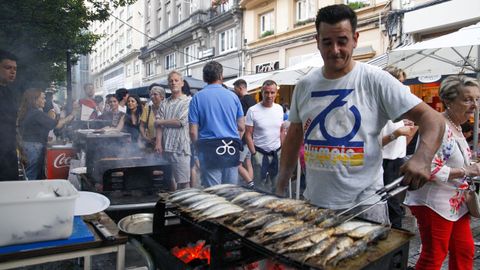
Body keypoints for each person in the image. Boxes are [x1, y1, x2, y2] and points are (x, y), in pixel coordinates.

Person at [275, 4, 444, 224]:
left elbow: (433, 119)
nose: (335, 50)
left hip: (366, 205)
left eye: (342, 41)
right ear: (317, 41)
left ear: (355, 39)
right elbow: (294, 136)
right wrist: (280, 185)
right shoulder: (305, 85)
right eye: (327, 42)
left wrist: (422, 157)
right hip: (315, 203)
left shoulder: (376, 80)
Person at [404, 75, 480, 270]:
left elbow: (449, 158)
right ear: (448, 100)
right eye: (467, 99)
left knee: (465, 250)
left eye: (477, 99)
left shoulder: (456, 126)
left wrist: (469, 164)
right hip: (434, 204)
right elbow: (428, 168)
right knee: (434, 256)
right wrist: (466, 169)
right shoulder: (439, 126)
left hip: (455, 203)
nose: (474, 105)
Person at [188, 61, 245, 187]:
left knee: (214, 193)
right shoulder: (233, 97)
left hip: (208, 149)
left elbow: (193, 131)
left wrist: (198, 150)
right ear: (221, 76)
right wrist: (235, 139)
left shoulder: (197, 98)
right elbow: (241, 126)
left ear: (204, 78)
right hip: (231, 147)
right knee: (230, 191)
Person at [380, 66, 417, 228]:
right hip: (383, 162)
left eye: (403, 82)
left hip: (397, 160)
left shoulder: (397, 106)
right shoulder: (380, 105)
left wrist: (406, 128)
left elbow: (401, 138)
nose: (402, 87)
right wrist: (398, 132)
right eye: (398, 82)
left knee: (395, 203)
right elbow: (375, 143)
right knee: (390, 204)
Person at [18, 88, 77, 180]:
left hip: (27, 145)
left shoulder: (27, 112)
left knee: (29, 174)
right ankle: (30, 193)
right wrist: (72, 114)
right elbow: (57, 125)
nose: (45, 100)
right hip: (34, 147)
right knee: (32, 175)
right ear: (34, 99)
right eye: (42, 98)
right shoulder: (36, 113)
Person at [245, 80, 285, 193]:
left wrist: (283, 149)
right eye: (266, 92)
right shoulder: (253, 110)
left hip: (277, 153)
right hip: (260, 153)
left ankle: (277, 207)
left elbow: (281, 131)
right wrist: (254, 153)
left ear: (276, 93)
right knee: (259, 187)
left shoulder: (279, 109)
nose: (269, 95)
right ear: (262, 92)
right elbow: (248, 134)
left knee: (277, 185)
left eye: (272, 92)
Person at [155, 71, 192, 190]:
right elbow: (158, 126)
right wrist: (158, 143)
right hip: (166, 147)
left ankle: (184, 206)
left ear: (182, 83)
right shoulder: (164, 103)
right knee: (170, 182)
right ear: (168, 84)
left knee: (183, 182)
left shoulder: (188, 101)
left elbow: (180, 122)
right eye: (171, 81)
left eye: (176, 80)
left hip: (180, 147)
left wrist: (161, 121)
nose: (173, 83)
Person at [0, 49, 19, 180]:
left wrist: (19, 148)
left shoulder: (9, 92)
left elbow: (12, 124)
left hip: (9, 154)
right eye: (8, 68)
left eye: (15, 69)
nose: (12, 72)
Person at [233, 79, 255, 187]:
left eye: (235, 89)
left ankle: (250, 183)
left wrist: (239, 138)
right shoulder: (252, 99)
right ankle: (250, 185)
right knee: (248, 162)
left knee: (236, 163)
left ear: (240, 88)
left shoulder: (243, 101)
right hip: (251, 137)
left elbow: (243, 122)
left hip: (244, 139)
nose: (235, 91)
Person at [140, 83, 165, 150]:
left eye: (155, 94)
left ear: (162, 97)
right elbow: (142, 125)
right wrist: (145, 137)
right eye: (151, 95)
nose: (152, 97)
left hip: (164, 144)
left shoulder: (167, 108)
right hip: (150, 143)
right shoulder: (147, 108)